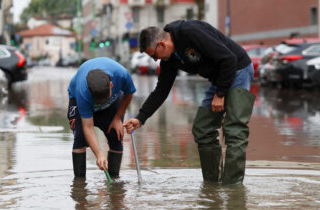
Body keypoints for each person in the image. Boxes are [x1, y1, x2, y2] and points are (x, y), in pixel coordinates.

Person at [123, 20, 255, 185]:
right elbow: (161, 90)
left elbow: (228, 59)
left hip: (238, 69)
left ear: (162, 44)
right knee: (202, 128)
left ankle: (232, 187)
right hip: (219, 78)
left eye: (154, 55)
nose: (156, 60)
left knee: (234, 129)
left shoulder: (190, 32)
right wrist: (140, 118)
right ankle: (212, 184)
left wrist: (220, 94)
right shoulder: (169, 60)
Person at [67, 57, 136, 178]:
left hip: (113, 104)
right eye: (98, 101)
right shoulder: (82, 92)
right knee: (80, 137)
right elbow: (87, 127)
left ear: (111, 84)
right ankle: (79, 187)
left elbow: (129, 93)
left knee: (116, 134)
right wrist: (99, 153)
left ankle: (114, 183)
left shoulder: (122, 74)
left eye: (105, 99)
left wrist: (117, 118)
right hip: (81, 102)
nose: (101, 103)